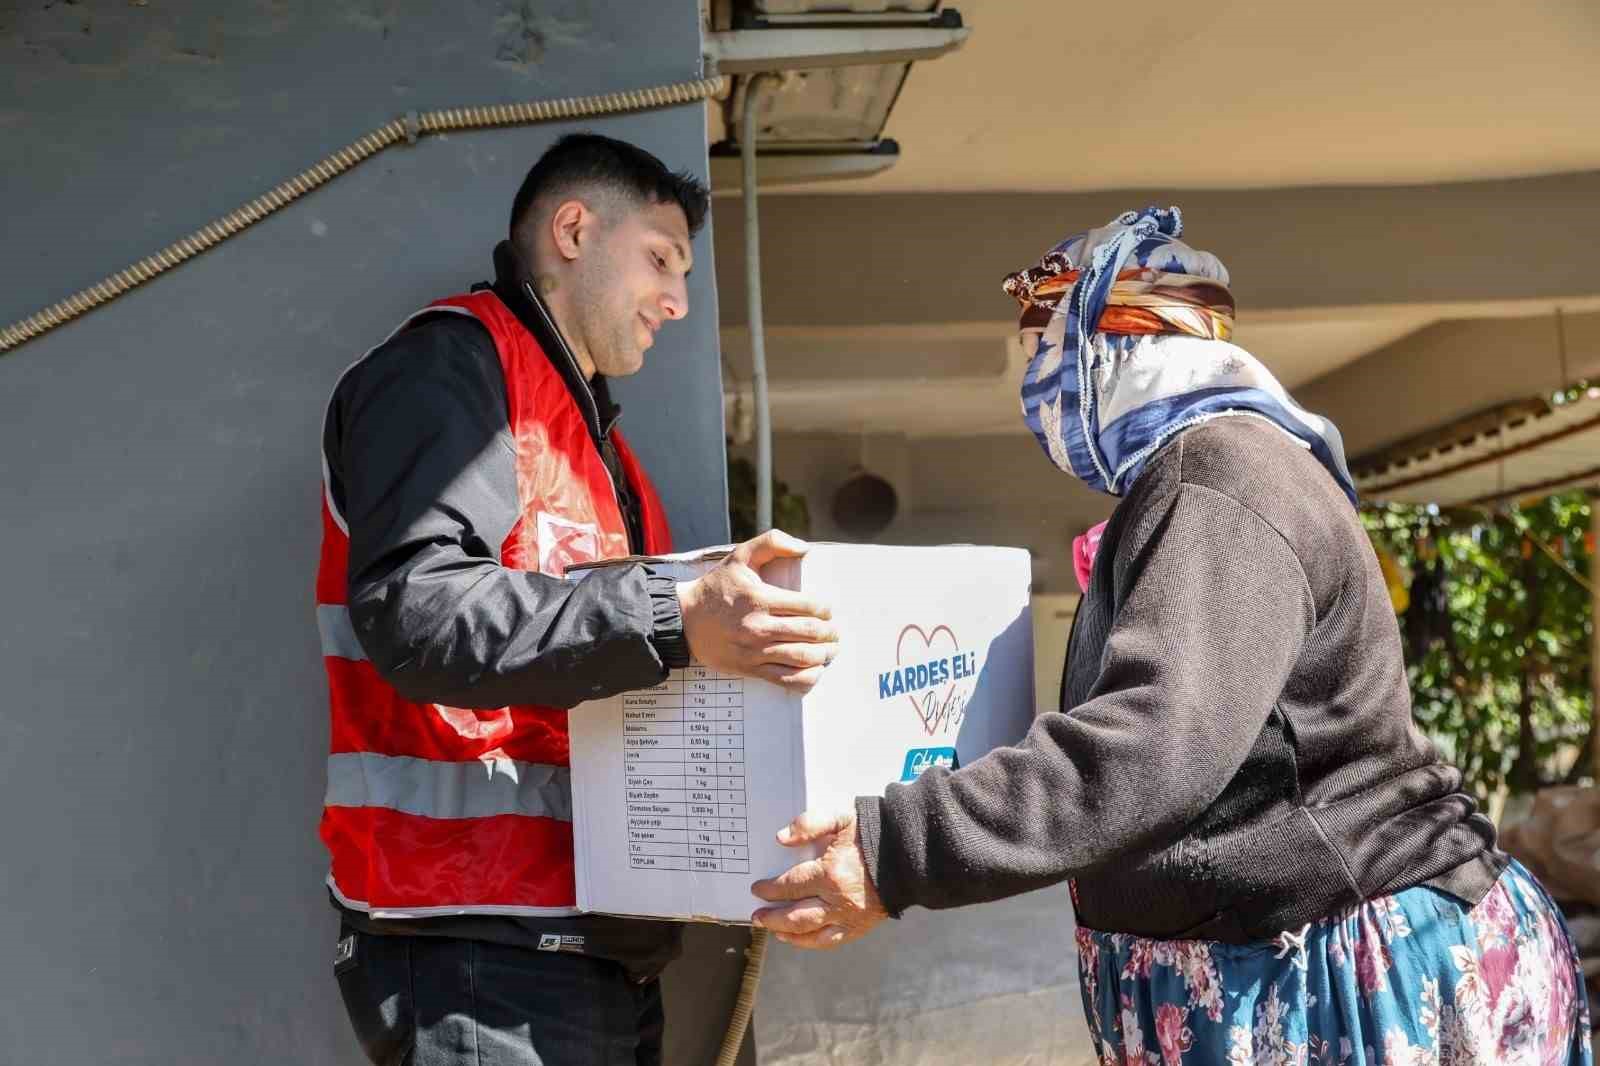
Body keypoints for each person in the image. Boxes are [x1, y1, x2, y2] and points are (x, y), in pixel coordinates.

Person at [751, 207, 1594, 1064]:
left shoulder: (1220, 476)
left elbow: (1154, 745)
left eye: (1048, 347)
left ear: (1119, 343)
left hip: (1342, 970)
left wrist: (894, 848)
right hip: (1282, 956)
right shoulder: (1196, 480)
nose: (1035, 381)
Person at [314, 133, 839, 1066]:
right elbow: (418, 609)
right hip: (473, 943)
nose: (677, 301)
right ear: (572, 230)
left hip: (583, 943)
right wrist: (676, 617)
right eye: (660, 259)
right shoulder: (452, 369)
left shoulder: (593, 440)